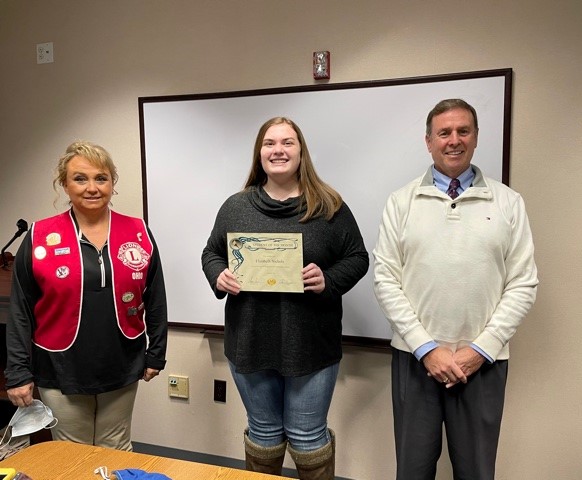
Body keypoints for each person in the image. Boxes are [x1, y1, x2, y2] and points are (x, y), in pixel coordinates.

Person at [373, 99, 538, 480]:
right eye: (444, 132)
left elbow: (523, 283)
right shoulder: (401, 202)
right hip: (415, 361)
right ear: (428, 141)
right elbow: (385, 279)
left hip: (483, 363)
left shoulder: (508, 203)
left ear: (476, 138)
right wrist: (425, 347)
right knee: (413, 471)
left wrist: (481, 349)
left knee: (476, 471)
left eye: (463, 131)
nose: (454, 140)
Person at [202, 117, 369, 479]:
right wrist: (220, 274)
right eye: (270, 143)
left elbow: (357, 258)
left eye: (287, 142)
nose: (278, 150)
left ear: (300, 151)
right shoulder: (236, 206)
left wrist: (329, 278)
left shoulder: (329, 206)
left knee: (307, 438)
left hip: (311, 345)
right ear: (259, 153)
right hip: (250, 342)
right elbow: (211, 254)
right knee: (263, 435)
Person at [4, 141, 168, 451]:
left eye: (101, 178)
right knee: (72, 455)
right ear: (64, 184)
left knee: (115, 450)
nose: (92, 187)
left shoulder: (138, 232)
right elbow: (20, 310)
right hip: (60, 366)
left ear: (112, 183)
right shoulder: (40, 236)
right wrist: (17, 372)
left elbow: (156, 297)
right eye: (80, 178)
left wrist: (156, 352)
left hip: (122, 363)